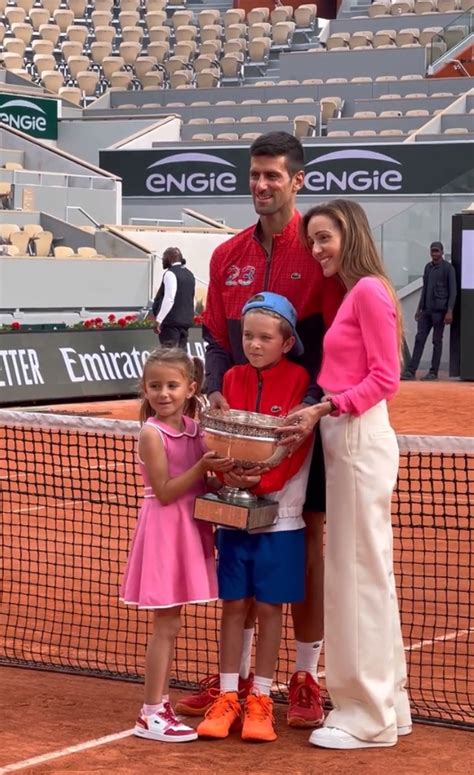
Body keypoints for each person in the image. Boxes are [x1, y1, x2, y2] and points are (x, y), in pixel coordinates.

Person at [176, 131, 345, 728]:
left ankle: (304, 673)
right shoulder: (226, 257)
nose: (261, 185)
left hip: (312, 419)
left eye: (273, 175)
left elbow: (333, 343)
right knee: (238, 531)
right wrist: (217, 388)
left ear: (297, 181)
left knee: (307, 543)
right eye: (254, 174)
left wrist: (317, 404)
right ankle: (239, 676)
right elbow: (219, 339)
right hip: (238, 416)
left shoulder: (323, 254)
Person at [278, 199, 412, 749]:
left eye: (326, 237)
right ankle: (389, 704)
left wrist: (322, 408)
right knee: (365, 574)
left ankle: (366, 715)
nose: (317, 249)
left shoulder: (371, 292)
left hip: (356, 436)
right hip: (346, 439)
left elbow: (386, 378)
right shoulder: (357, 293)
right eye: (312, 240)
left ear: (350, 235)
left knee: (357, 578)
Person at [197, 293, 314, 743]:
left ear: (286, 343)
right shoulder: (229, 378)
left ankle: (261, 699)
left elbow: (294, 446)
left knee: (269, 609)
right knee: (232, 606)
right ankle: (229, 696)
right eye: (248, 335)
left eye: (265, 337)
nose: (255, 344)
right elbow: (219, 438)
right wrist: (225, 473)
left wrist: (260, 484)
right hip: (233, 515)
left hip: (281, 518)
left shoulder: (301, 380)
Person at [120, 348, 233, 743]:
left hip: (192, 530)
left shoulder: (196, 429)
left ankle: (159, 706)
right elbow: (166, 492)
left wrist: (225, 475)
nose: (163, 393)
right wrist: (204, 467)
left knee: (173, 624)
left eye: (171, 385)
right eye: (155, 386)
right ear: (145, 390)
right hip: (165, 532)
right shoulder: (151, 433)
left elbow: (209, 485)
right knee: (165, 625)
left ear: (191, 388)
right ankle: (150, 712)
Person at [402, 241, 456, 381]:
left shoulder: (448, 269)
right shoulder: (428, 268)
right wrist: (419, 308)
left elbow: (453, 291)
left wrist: (449, 311)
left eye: (437, 251)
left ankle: (433, 372)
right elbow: (425, 289)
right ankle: (411, 371)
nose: (434, 254)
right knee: (419, 340)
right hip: (426, 312)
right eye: (432, 251)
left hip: (440, 312)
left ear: (442, 252)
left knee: (436, 341)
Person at [152, 247, 196, 350]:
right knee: (181, 355)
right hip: (185, 322)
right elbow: (192, 299)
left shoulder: (170, 273)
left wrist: (159, 320)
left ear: (170, 258)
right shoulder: (190, 274)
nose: (163, 260)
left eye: (164, 257)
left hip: (171, 323)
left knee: (169, 355)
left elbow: (169, 298)